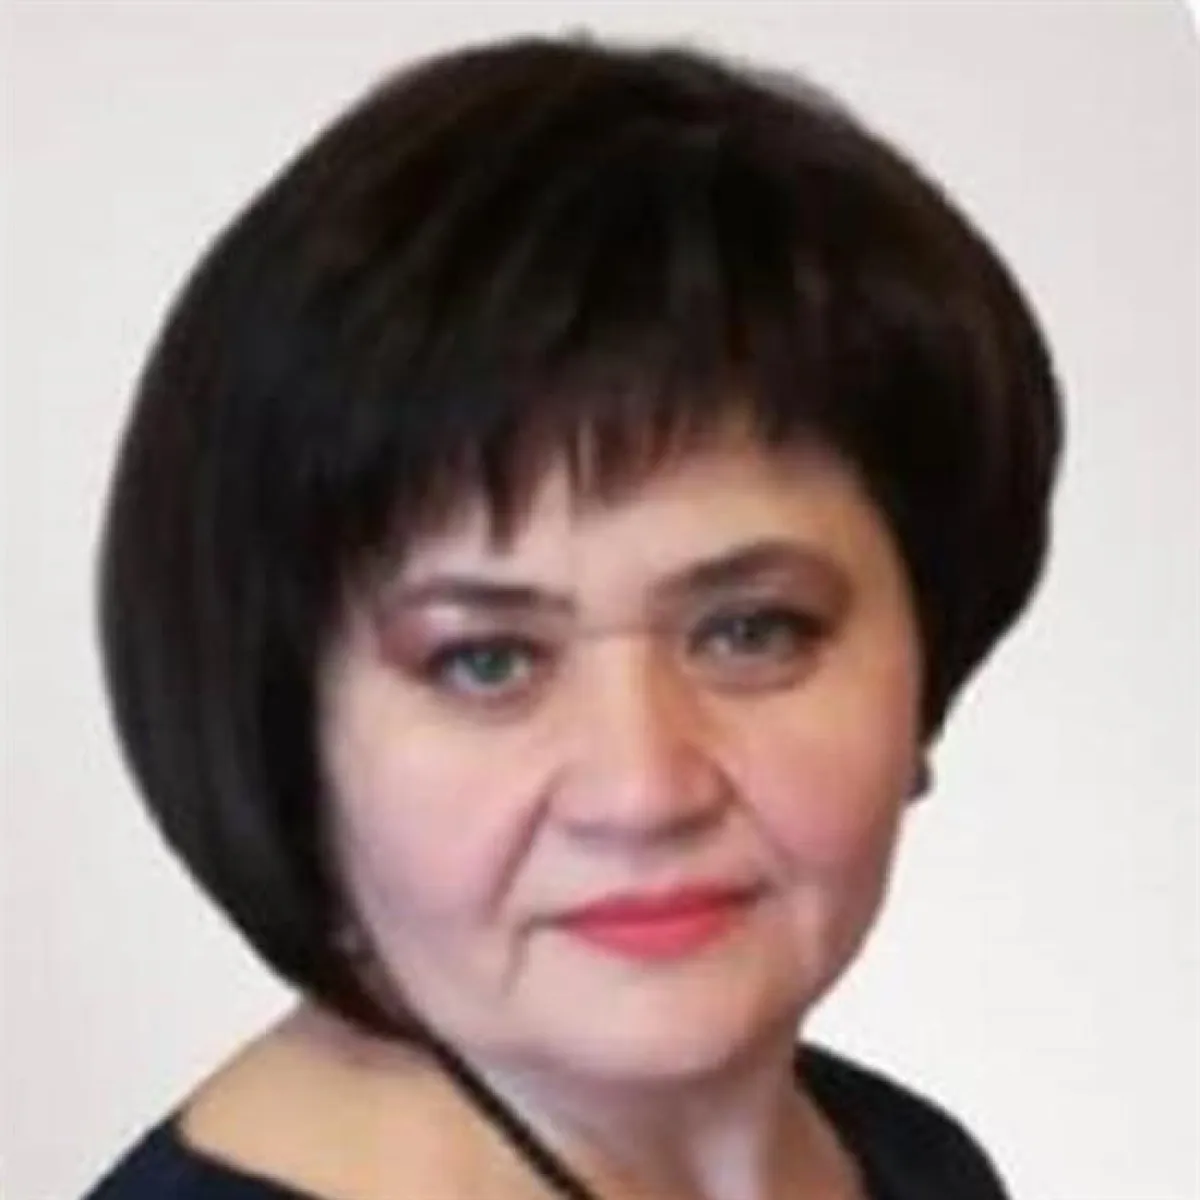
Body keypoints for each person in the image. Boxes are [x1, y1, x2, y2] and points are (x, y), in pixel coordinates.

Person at [83, 32, 1060, 1200]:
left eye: (752, 631)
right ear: (287, 733)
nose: (643, 791)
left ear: (927, 656)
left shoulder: (908, 1161)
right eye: (487, 661)